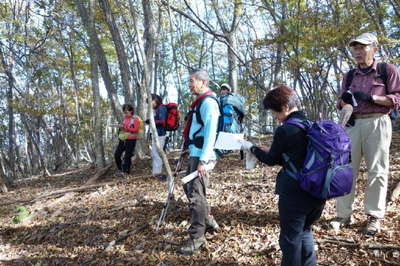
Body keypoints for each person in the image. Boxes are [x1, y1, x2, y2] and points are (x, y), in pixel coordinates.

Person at [240, 85, 326, 266]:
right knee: (305, 231)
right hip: (317, 190)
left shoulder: (285, 130)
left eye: (274, 112)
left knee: (290, 240)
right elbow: (294, 157)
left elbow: (271, 159)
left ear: (285, 107)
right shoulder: (310, 125)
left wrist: (253, 148)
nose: (275, 116)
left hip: (295, 193)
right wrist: (272, 152)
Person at [332, 32, 400, 235]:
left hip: (378, 122)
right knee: (345, 170)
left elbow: (397, 98)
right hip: (353, 124)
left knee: (377, 170)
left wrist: (372, 98)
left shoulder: (386, 70)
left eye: (362, 47)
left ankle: (373, 216)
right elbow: (340, 102)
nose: (358, 52)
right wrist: (344, 103)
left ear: (374, 49)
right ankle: (343, 215)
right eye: (355, 48)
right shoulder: (349, 75)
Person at [177, 69, 220, 255]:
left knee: (196, 193)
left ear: (202, 82)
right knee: (190, 188)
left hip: (203, 155)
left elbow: (210, 132)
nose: (189, 84)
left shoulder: (209, 103)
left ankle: (197, 237)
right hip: (196, 152)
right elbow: (198, 128)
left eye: (192, 81)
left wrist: (203, 159)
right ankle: (207, 219)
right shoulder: (199, 102)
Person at [114, 104, 141, 175]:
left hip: (131, 139)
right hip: (123, 139)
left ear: (131, 110)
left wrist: (125, 128)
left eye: (127, 110)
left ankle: (126, 171)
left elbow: (136, 129)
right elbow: (123, 129)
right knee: (117, 154)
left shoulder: (135, 119)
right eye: (124, 110)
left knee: (127, 156)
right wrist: (120, 127)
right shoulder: (125, 119)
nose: (125, 112)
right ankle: (120, 169)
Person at [146, 94, 168, 180]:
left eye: (151, 102)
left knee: (157, 154)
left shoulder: (161, 108)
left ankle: (157, 173)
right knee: (154, 153)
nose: (150, 104)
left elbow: (162, 122)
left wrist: (152, 121)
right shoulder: (157, 109)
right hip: (157, 134)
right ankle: (155, 172)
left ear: (155, 100)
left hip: (161, 135)